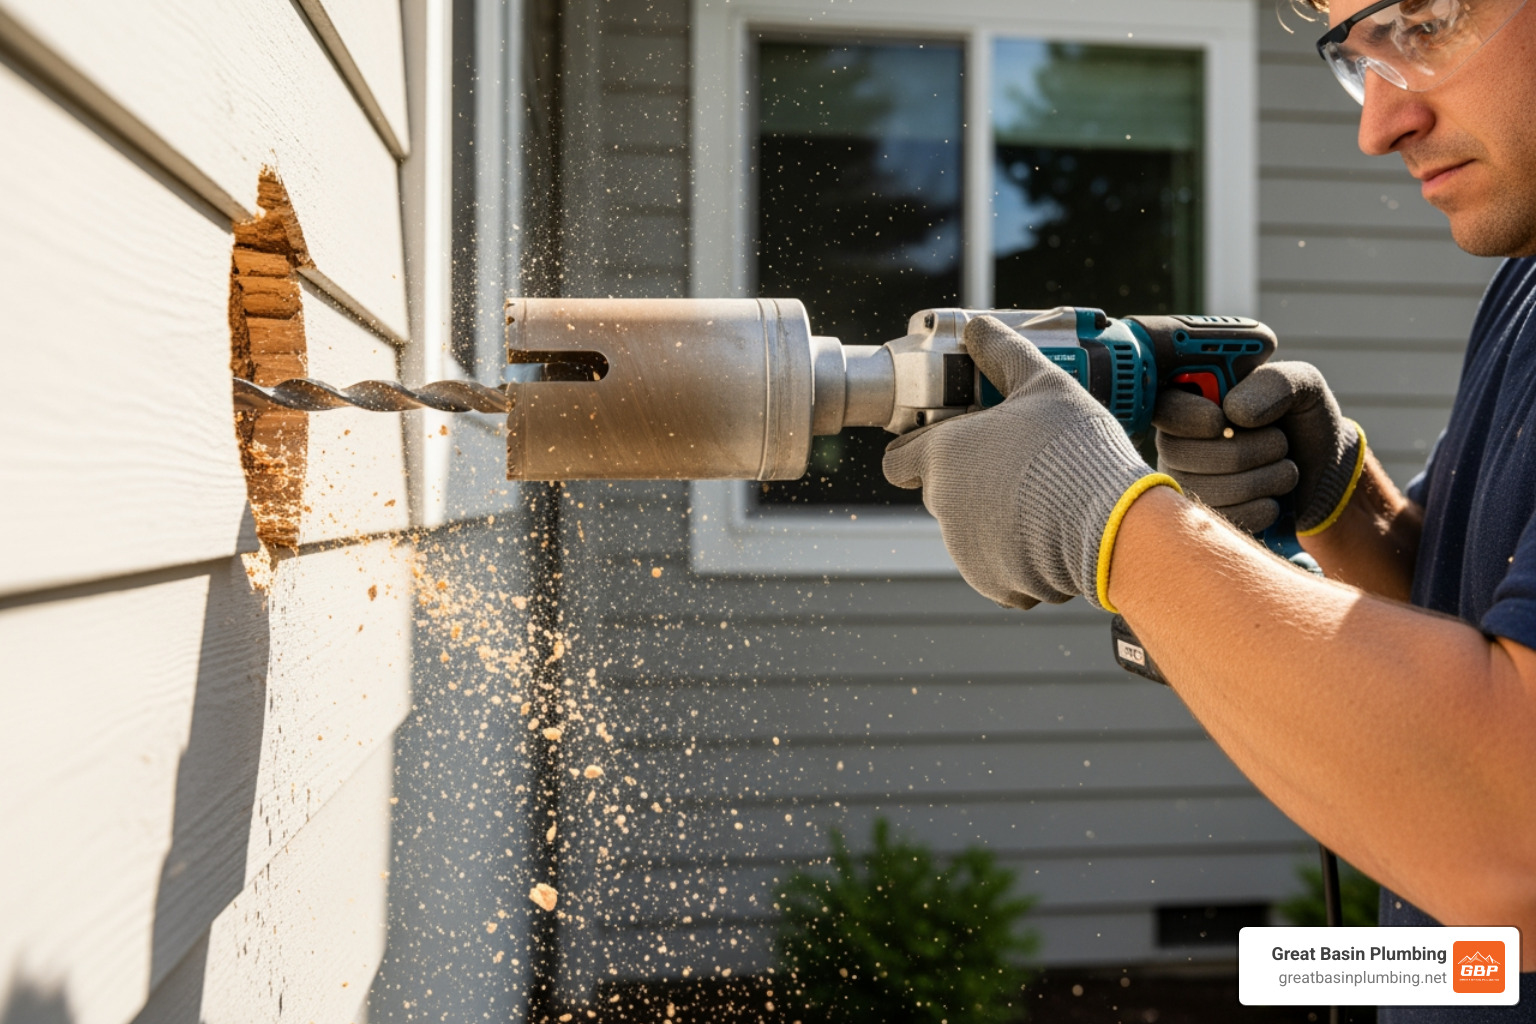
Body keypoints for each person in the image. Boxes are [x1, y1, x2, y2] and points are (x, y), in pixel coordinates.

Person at [882, 0, 1536, 1020]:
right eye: (1356, 55)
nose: (1379, 124)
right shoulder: (1524, 281)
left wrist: (1115, 528)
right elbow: (1480, 636)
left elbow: (1513, 840)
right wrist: (1342, 503)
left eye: (1423, 20)